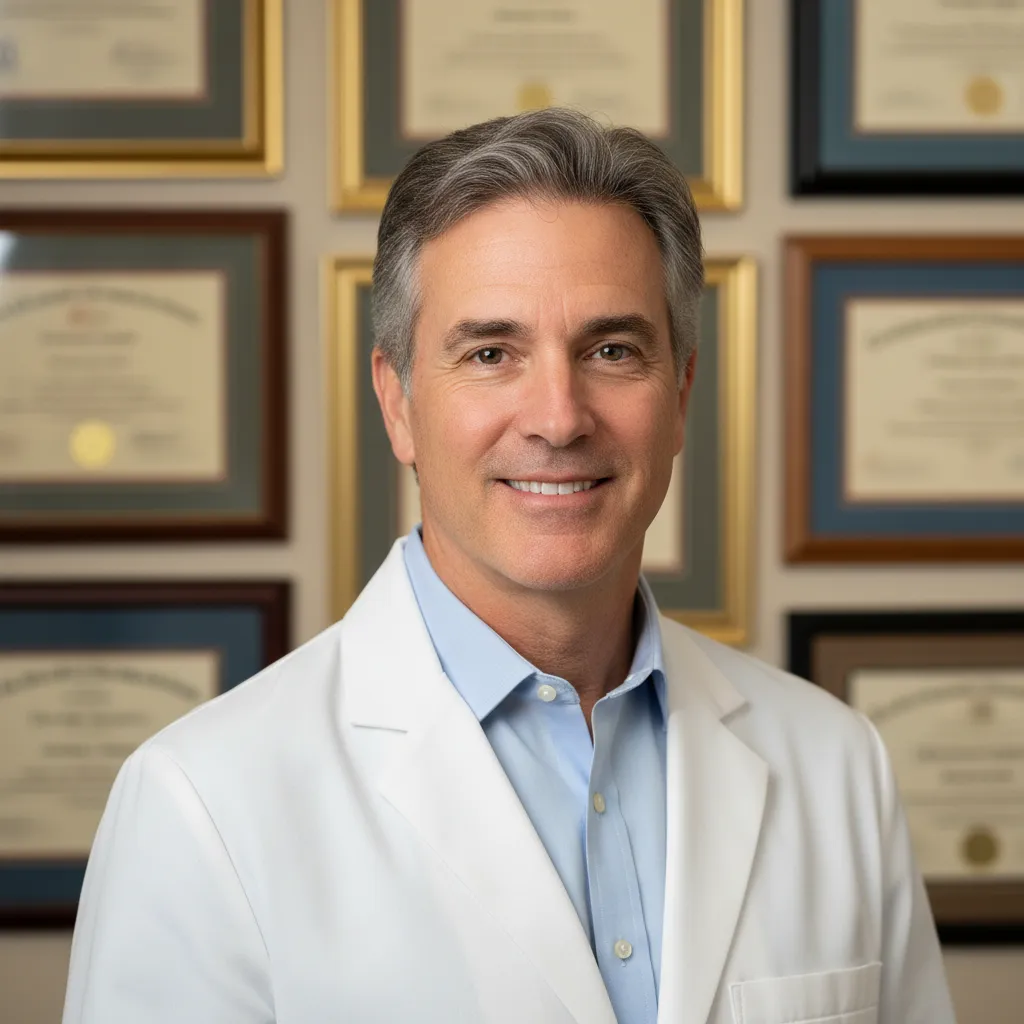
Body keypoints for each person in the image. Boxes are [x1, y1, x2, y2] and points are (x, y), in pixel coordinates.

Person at [62, 108, 956, 1024]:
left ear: (680, 394)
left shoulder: (838, 763)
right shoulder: (200, 802)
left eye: (613, 350)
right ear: (398, 403)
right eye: (491, 353)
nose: (559, 418)